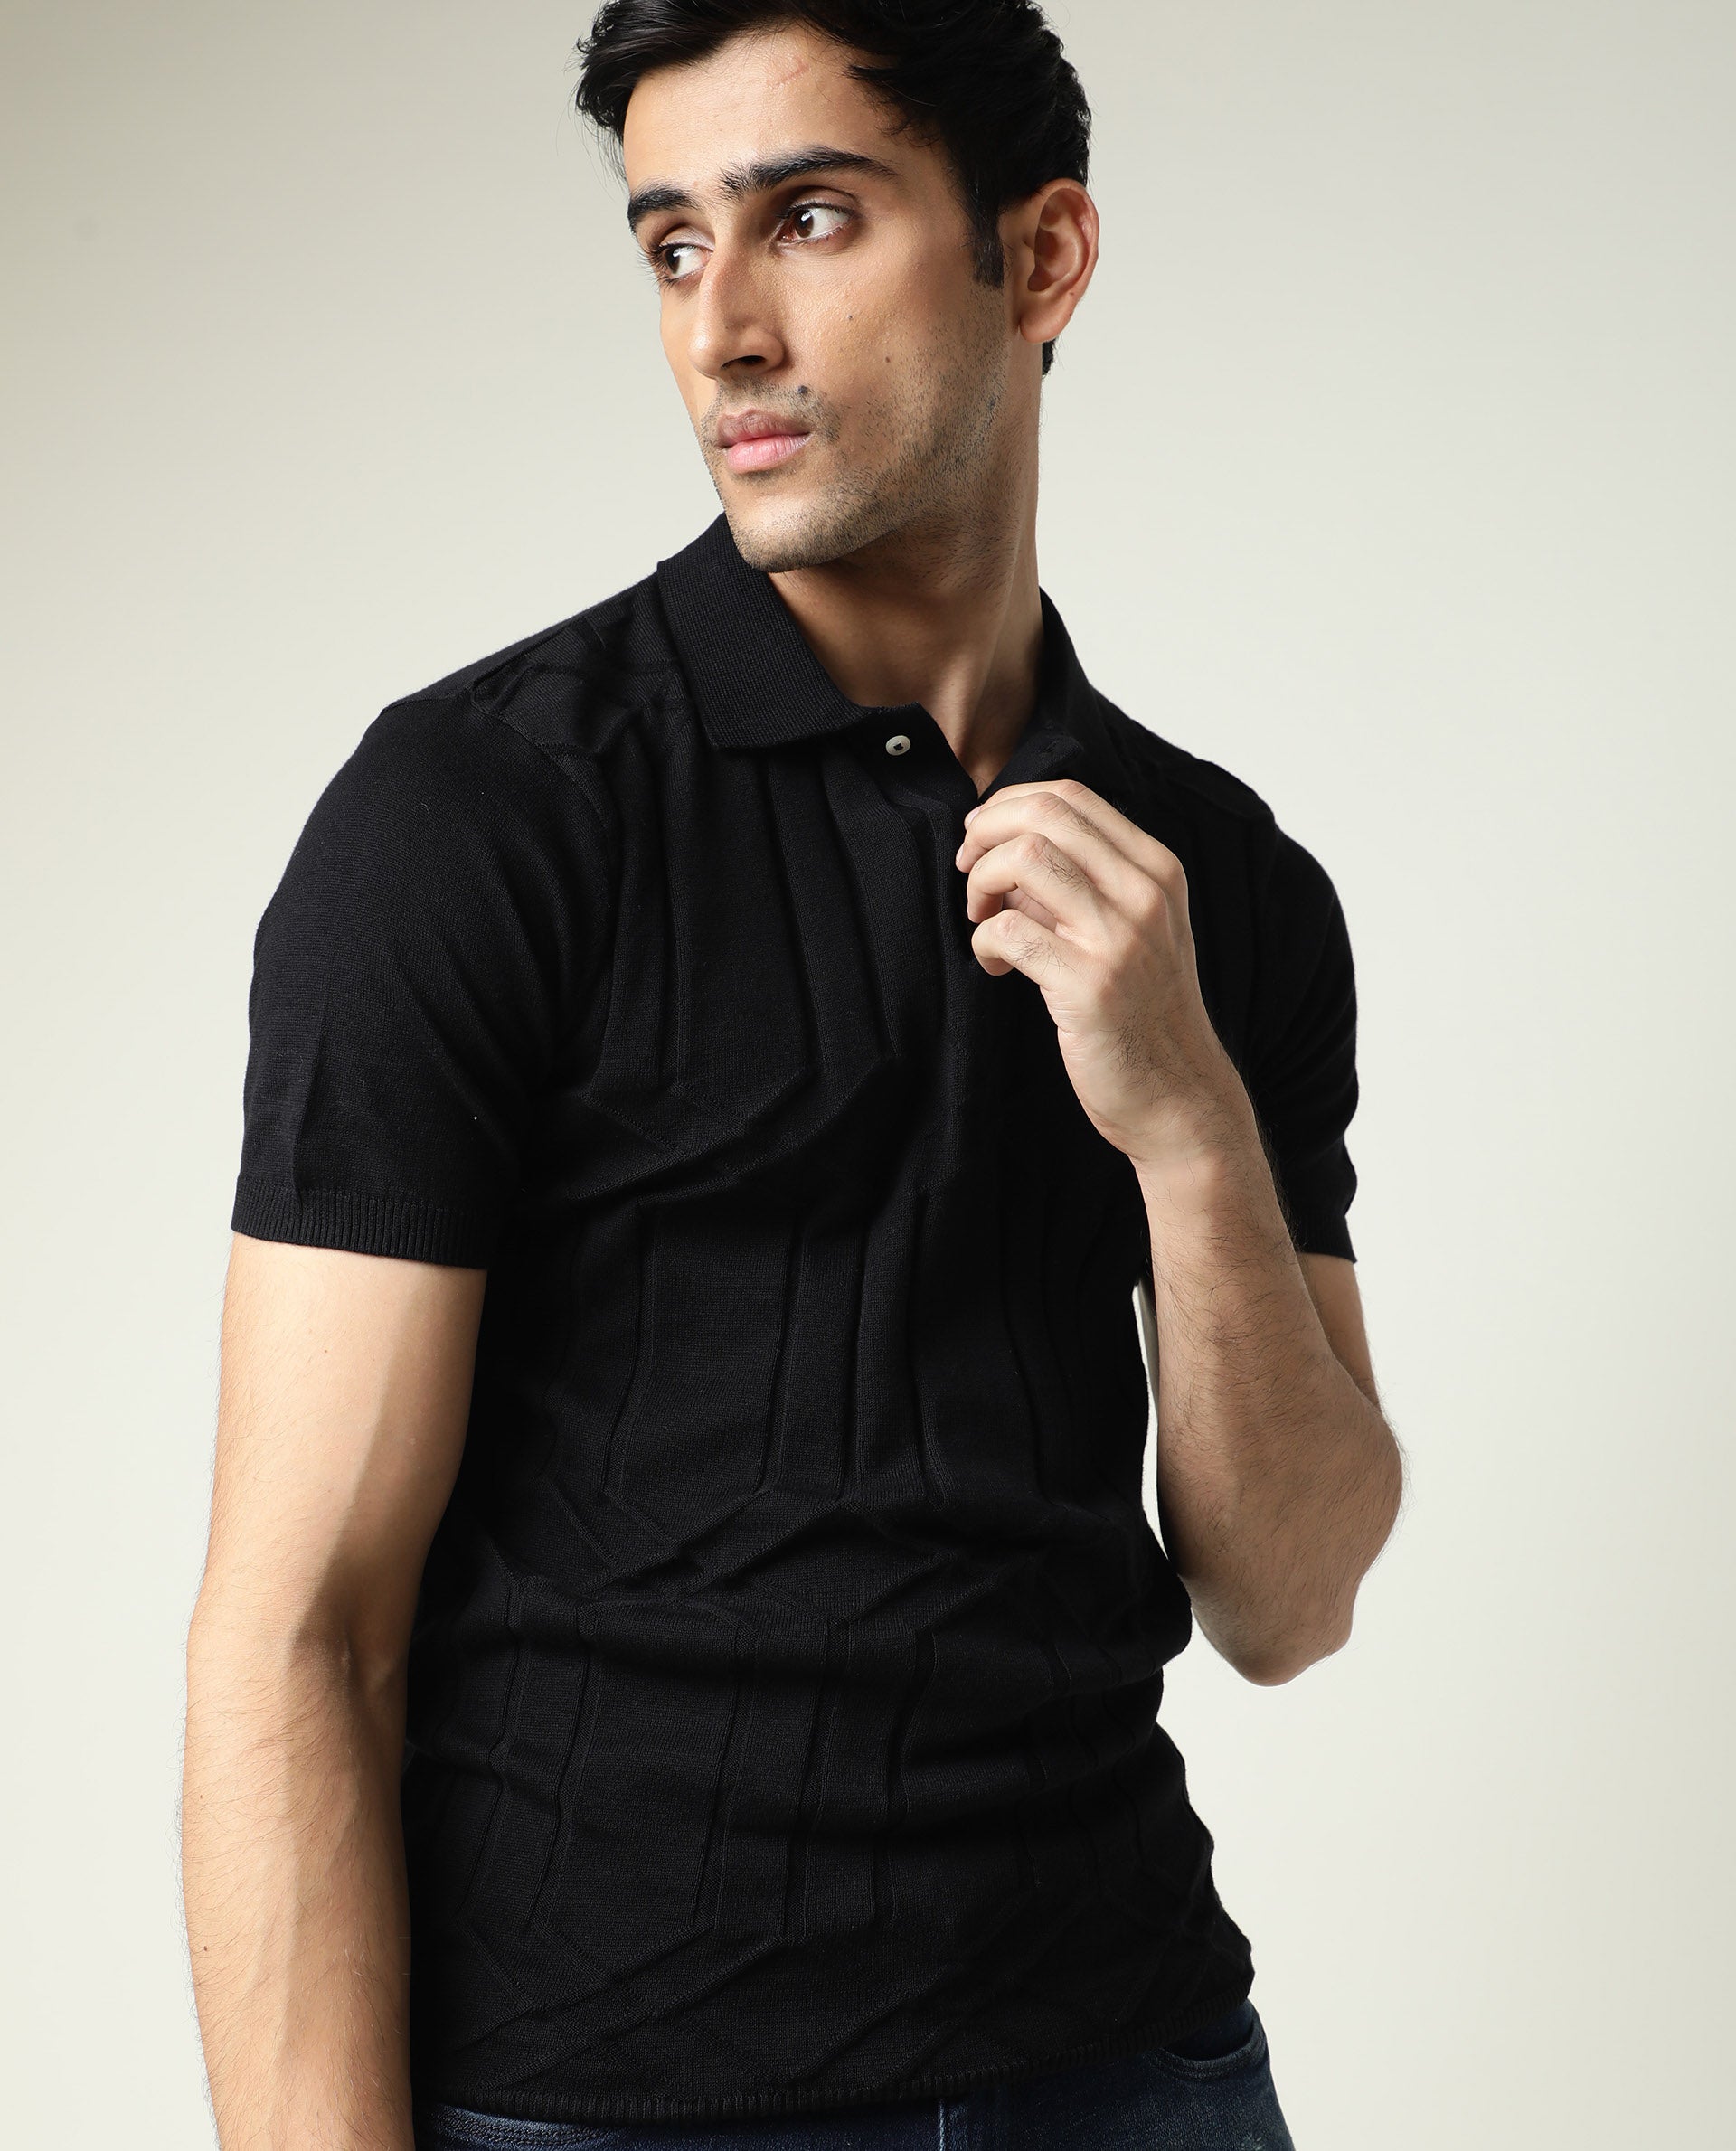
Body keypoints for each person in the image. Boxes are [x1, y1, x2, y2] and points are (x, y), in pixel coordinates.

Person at [181, 5, 1406, 2146]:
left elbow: (1289, 1598)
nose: (721, 330)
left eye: (809, 220)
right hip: (607, 2097)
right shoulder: (480, 816)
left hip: (1132, 2065)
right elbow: (297, 1631)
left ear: (1042, 258)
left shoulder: (1220, 883)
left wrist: (1192, 1126)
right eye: (672, 245)